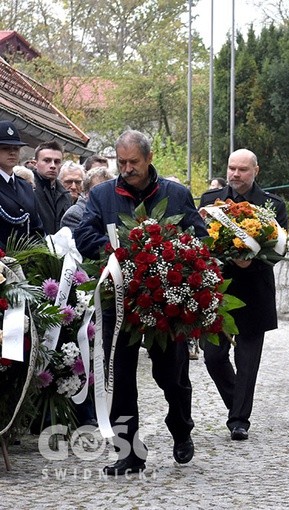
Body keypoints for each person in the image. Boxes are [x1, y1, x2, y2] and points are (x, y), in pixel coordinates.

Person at [75, 130, 206, 475]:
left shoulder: (176, 194)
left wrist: (172, 251)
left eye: (134, 162)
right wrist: (119, 250)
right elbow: (84, 234)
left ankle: (181, 427)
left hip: (167, 302)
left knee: (171, 374)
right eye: (122, 162)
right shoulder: (102, 194)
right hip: (118, 301)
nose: (127, 168)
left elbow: (199, 235)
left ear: (149, 159)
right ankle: (128, 452)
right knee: (119, 377)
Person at [199, 148, 288, 440]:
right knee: (213, 356)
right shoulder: (210, 202)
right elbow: (199, 242)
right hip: (217, 290)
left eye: (242, 170)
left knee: (248, 360)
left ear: (255, 171)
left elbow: (279, 250)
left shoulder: (272, 205)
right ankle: (237, 401)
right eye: (231, 168)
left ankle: (239, 420)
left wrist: (251, 261)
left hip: (254, 290)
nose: (235, 174)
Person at [0, 121, 43, 248]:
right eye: (5, 148)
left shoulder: (25, 186)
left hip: (28, 261)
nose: (12, 153)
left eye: (16, 148)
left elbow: (37, 228)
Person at [32, 140, 71, 234]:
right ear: (35, 164)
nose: (53, 166)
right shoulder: (28, 189)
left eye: (57, 162)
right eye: (47, 160)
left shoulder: (65, 194)